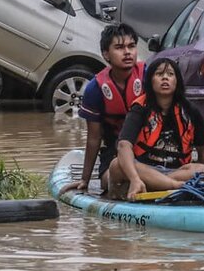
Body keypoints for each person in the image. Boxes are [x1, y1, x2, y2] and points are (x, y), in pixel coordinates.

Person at [109, 58, 204, 200]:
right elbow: (123, 145)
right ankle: (172, 186)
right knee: (116, 165)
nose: (165, 78)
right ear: (150, 81)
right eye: (159, 74)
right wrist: (134, 178)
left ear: (177, 81)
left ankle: (156, 184)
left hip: (176, 171)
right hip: (143, 170)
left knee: (202, 170)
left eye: (170, 74)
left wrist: (202, 177)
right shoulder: (140, 108)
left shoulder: (191, 111)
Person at [61, 23, 144, 195]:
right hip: (114, 153)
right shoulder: (95, 89)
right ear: (106, 54)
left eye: (131, 46)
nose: (127, 52)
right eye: (119, 48)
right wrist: (85, 179)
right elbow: (94, 138)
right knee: (109, 179)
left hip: (148, 149)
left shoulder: (149, 77)